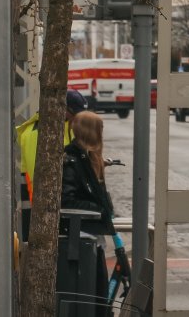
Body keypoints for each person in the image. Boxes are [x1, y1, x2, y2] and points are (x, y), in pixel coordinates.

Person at [60, 111, 128, 305]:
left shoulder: (88, 159)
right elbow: (67, 200)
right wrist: (97, 210)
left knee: (97, 291)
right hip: (82, 237)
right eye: (100, 130)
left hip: (91, 236)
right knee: (91, 293)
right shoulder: (72, 161)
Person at [16, 89, 89, 202]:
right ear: (62, 108)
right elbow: (41, 175)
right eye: (76, 114)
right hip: (42, 202)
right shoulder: (37, 133)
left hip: (58, 196)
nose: (78, 118)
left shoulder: (63, 125)